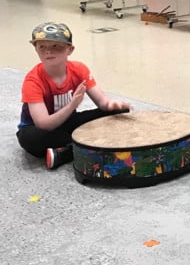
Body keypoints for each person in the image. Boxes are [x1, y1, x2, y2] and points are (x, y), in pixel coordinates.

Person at [17, 22, 132, 169]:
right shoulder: (33, 80)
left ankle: (69, 148)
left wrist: (112, 106)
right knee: (31, 139)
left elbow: (102, 102)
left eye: (55, 46)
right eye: (42, 47)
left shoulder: (79, 69)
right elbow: (43, 124)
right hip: (39, 130)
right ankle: (82, 147)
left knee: (118, 114)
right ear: (36, 49)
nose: (48, 51)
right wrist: (72, 105)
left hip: (68, 123)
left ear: (69, 49)